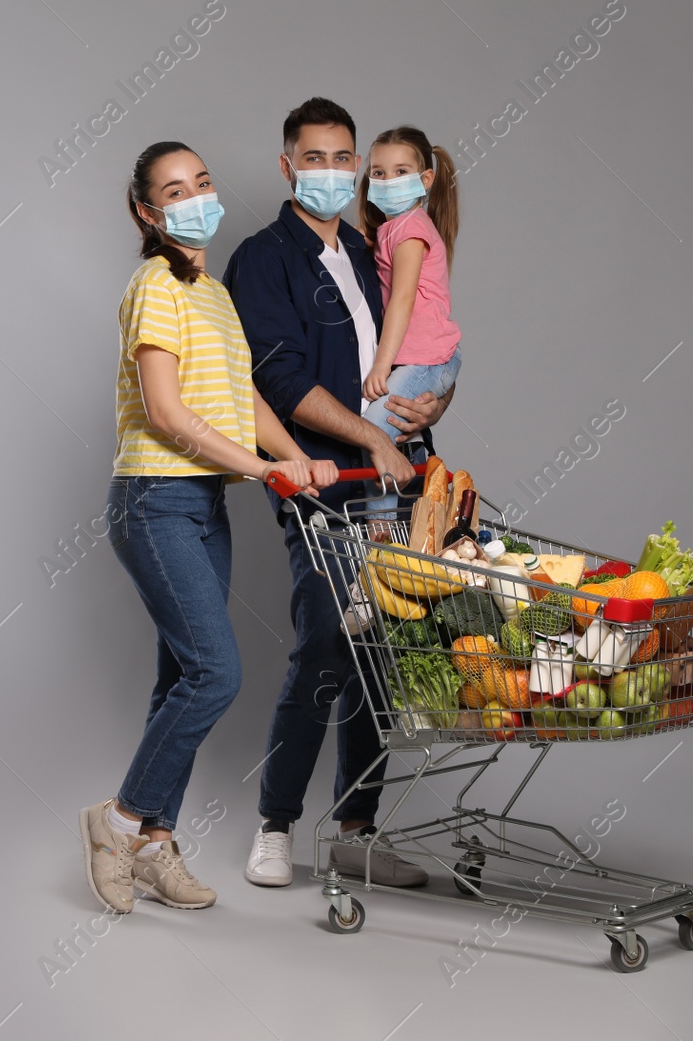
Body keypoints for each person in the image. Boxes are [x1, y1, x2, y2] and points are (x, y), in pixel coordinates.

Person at [80, 140, 338, 915]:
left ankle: (158, 847)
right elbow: (166, 412)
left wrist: (295, 455)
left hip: (201, 505)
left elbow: (244, 398)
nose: (195, 196)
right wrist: (264, 471)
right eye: (174, 189)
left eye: (203, 181)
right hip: (154, 500)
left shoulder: (214, 295)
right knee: (214, 674)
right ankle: (119, 821)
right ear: (146, 213)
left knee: (177, 679)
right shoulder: (155, 285)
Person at [223, 98, 453, 889]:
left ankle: (357, 828)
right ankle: (276, 825)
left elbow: (415, 339)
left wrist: (432, 405)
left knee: (384, 652)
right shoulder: (262, 259)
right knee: (326, 641)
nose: (331, 171)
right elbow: (278, 382)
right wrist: (375, 440)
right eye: (314, 158)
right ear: (289, 166)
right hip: (326, 484)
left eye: (342, 158)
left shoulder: (369, 246)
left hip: (401, 480)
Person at [356, 125, 462, 517]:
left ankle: (382, 531)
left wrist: (381, 365)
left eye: (401, 172)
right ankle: (388, 530)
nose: (387, 181)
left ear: (426, 179)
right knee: (381, 431)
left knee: (374, 431)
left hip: (427, 359)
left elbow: (401, 299)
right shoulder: (393, 228)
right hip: (425, 358)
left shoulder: (411, 228)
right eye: (378, 173)